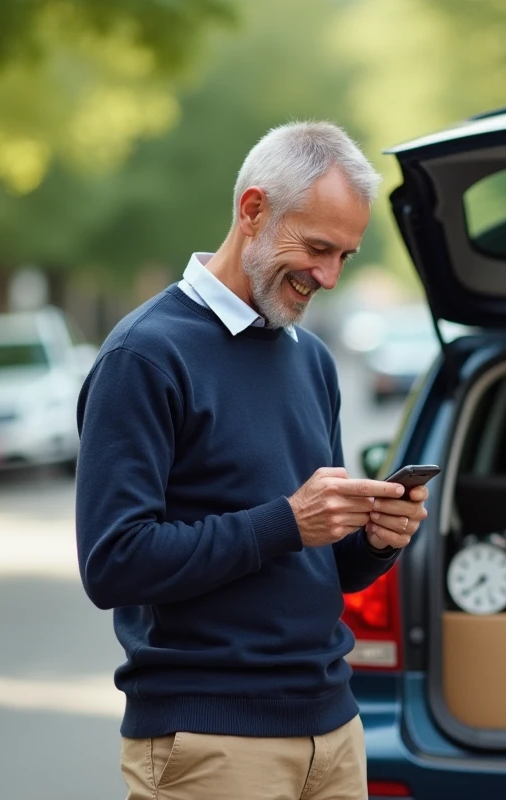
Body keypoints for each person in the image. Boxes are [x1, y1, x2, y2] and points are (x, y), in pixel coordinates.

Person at [74, 120, 430, 800]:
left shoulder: (311, 360)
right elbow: (112, 563)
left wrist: (375, 541)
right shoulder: (144, 357)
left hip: (334, 730)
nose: (327, 276)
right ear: (253, 210)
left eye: (345, 258)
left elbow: (320, 561)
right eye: (318, 248)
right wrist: (287, 522)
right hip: (211, 743)